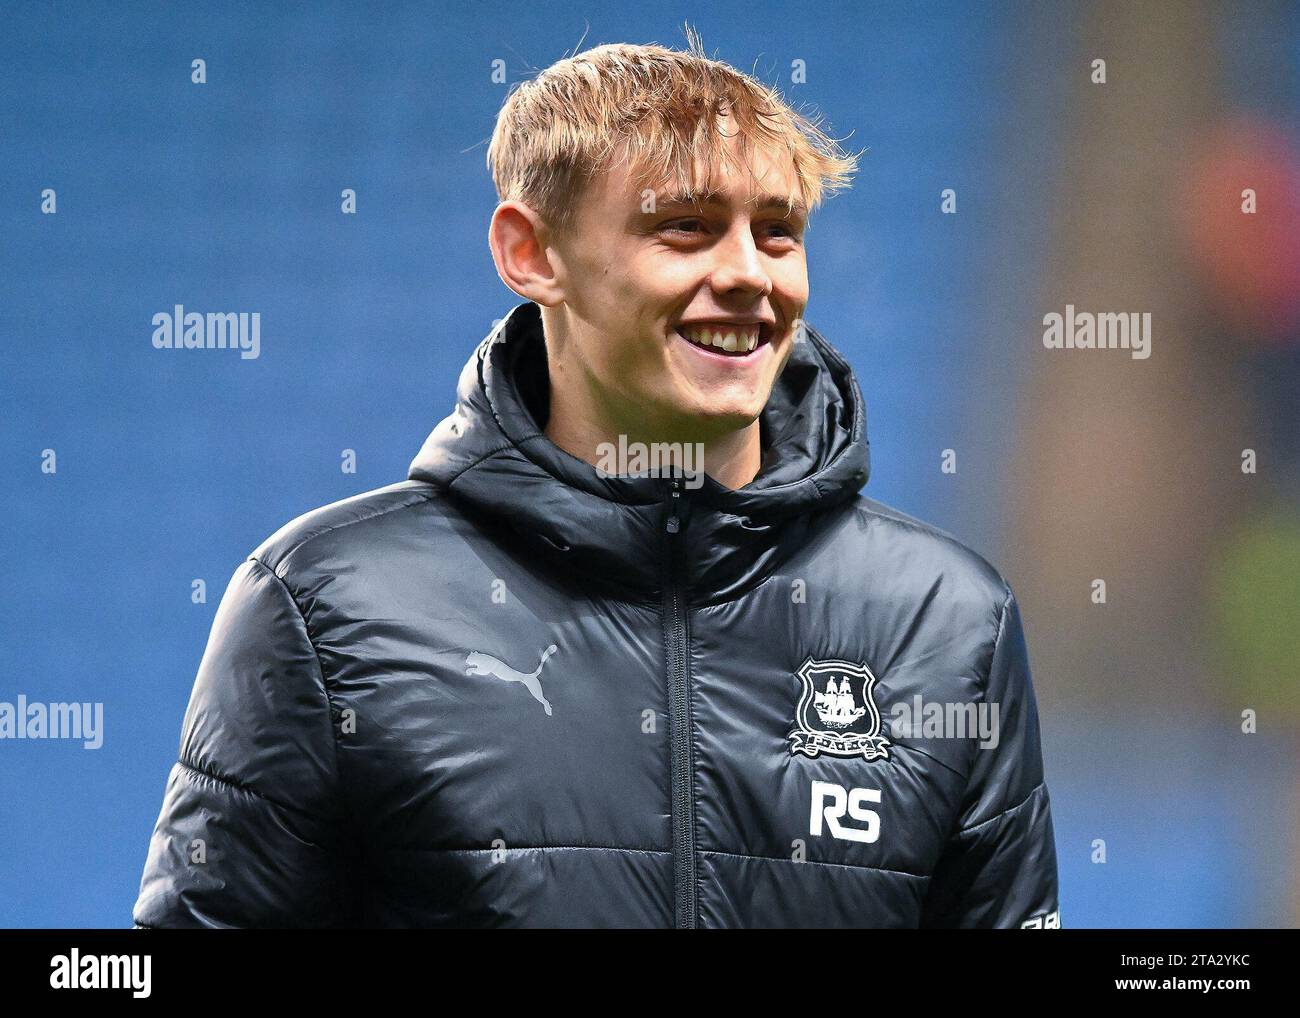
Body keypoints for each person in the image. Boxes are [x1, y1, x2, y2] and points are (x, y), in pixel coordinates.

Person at [133, 37, 1059, 929]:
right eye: (685, 226)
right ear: (531, 255)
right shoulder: (323, 608)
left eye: (778, 233)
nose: (746, 273)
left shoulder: (947, 619)